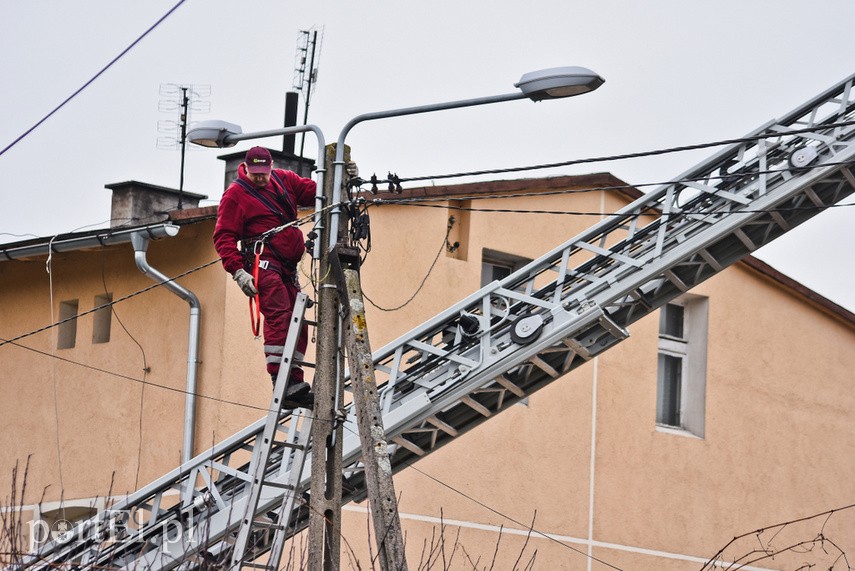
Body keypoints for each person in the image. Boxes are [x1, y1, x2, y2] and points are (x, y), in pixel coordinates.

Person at [213, 146, 316, 408]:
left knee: (297, 321)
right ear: (246, 168)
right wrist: (237, 271)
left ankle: (294, 383)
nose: (260, 178)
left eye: (264, 173)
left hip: (287, 266)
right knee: (280, 315)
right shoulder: (235, 195)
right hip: (264, 263)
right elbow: (224, 236)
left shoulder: (285, 180)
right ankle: (281, 381)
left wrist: (340, 180)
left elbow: (316, 192)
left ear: (271, 167)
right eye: (255, 173)